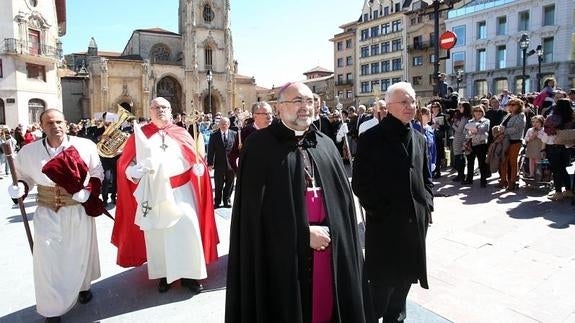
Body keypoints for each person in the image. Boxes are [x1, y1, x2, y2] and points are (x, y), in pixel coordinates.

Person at [225, 82, 366, 323]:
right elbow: (254, 212)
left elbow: (342, 204)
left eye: (309, 101)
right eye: (297, 101)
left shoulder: (325, 143)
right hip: (282, 258)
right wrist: (302, 233)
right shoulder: (259, 147)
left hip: (329, 247)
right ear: (279, 108)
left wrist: (336, 228)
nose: (305, 107)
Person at [112, 97, 218, 293]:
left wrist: (198, 168)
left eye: (164, 107)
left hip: (182, 190)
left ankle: (191, 275)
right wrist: (131, 172)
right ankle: (165, 275)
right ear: (150, 111)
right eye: (155, 107)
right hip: (154, 191)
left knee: (188, 229)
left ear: (171, 110)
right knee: (158, 234)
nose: (160, 110)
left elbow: (195, 157)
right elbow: (126, 163)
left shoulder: (181, 132)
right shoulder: (140, 135)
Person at [8, 109, 104, 322]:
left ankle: (82, 286)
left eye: (59, 121)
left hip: (77, 210)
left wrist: (88, 191)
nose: (55, 126)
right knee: (48, 261)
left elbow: (97, 172)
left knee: (78, 253)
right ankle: (51, 309)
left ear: (66, 123)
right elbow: (23, 177)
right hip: (47, 212)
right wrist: (20, 189)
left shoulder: (84, 146)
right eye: (50, 123)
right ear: (42, 126)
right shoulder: (29, 151)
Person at [352, 81, 433, 323]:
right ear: (388, 106)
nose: (410, 106)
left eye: (412, 101)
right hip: (386, 227)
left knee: (402, 290)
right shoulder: (371, 138)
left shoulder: (418, 137)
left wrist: (427, 207)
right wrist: (382, 212)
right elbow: (360, 184)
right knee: (380, 292)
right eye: (404, 101)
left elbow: (426, 177)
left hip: (415, 227)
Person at [228, 101, 273, 173]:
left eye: (270, 113)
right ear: (255, 115)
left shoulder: (276, 131)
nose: (269, 117)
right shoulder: (244, 133)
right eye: (266, 114)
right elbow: (233, 155)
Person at [207, 117, 237, 208]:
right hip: (219, 164)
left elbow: (237, 150)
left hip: (231, 165)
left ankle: (226, 200)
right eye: (222, 124)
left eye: (225, 124)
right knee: (218, 184)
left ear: (228, 124)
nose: (224, 126)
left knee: (230, 184)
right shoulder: (214, 135)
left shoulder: (234, 134)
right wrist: (210, 163)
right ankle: (217, 201)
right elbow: (211, 150)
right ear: (219, 125)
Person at [499, 98, 526, 191]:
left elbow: (516, 129)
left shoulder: (521, 115)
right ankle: (503, 180)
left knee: (512, 162)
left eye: (513, 104)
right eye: (510, 104)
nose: (511, 106)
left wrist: (504, 131)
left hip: (515, 141)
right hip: (505, 140)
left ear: (519, 106)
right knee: (503, 161)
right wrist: (499, 129)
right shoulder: (508, 115)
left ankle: (512, 182)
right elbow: (501, 125)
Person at [463, 106, 490, 187]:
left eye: (480, 111)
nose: (478, 112)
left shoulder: (486, 120)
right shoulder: (470, 121)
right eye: (476, 110)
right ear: (473, 112)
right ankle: (469, 179)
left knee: (481, 163)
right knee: (470, 162)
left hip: (481, 144)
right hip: (471, 143)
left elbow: (483, 129)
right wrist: (472, 130)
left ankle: (483, 180)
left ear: (482, 112)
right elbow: (466, 131)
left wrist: (473, 129)